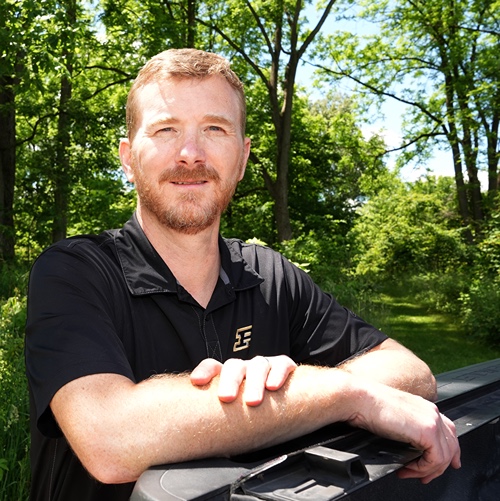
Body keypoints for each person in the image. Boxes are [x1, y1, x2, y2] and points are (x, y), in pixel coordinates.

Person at [25, 48, 460, 501]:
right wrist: (337, 392)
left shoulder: (269, 274)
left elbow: (409, 371)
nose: (190, 154)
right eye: (165, 130)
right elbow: (111, 439)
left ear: (243, 156)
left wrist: (309, 389)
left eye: (215, 129)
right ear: (129, 158)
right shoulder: (75, 272)